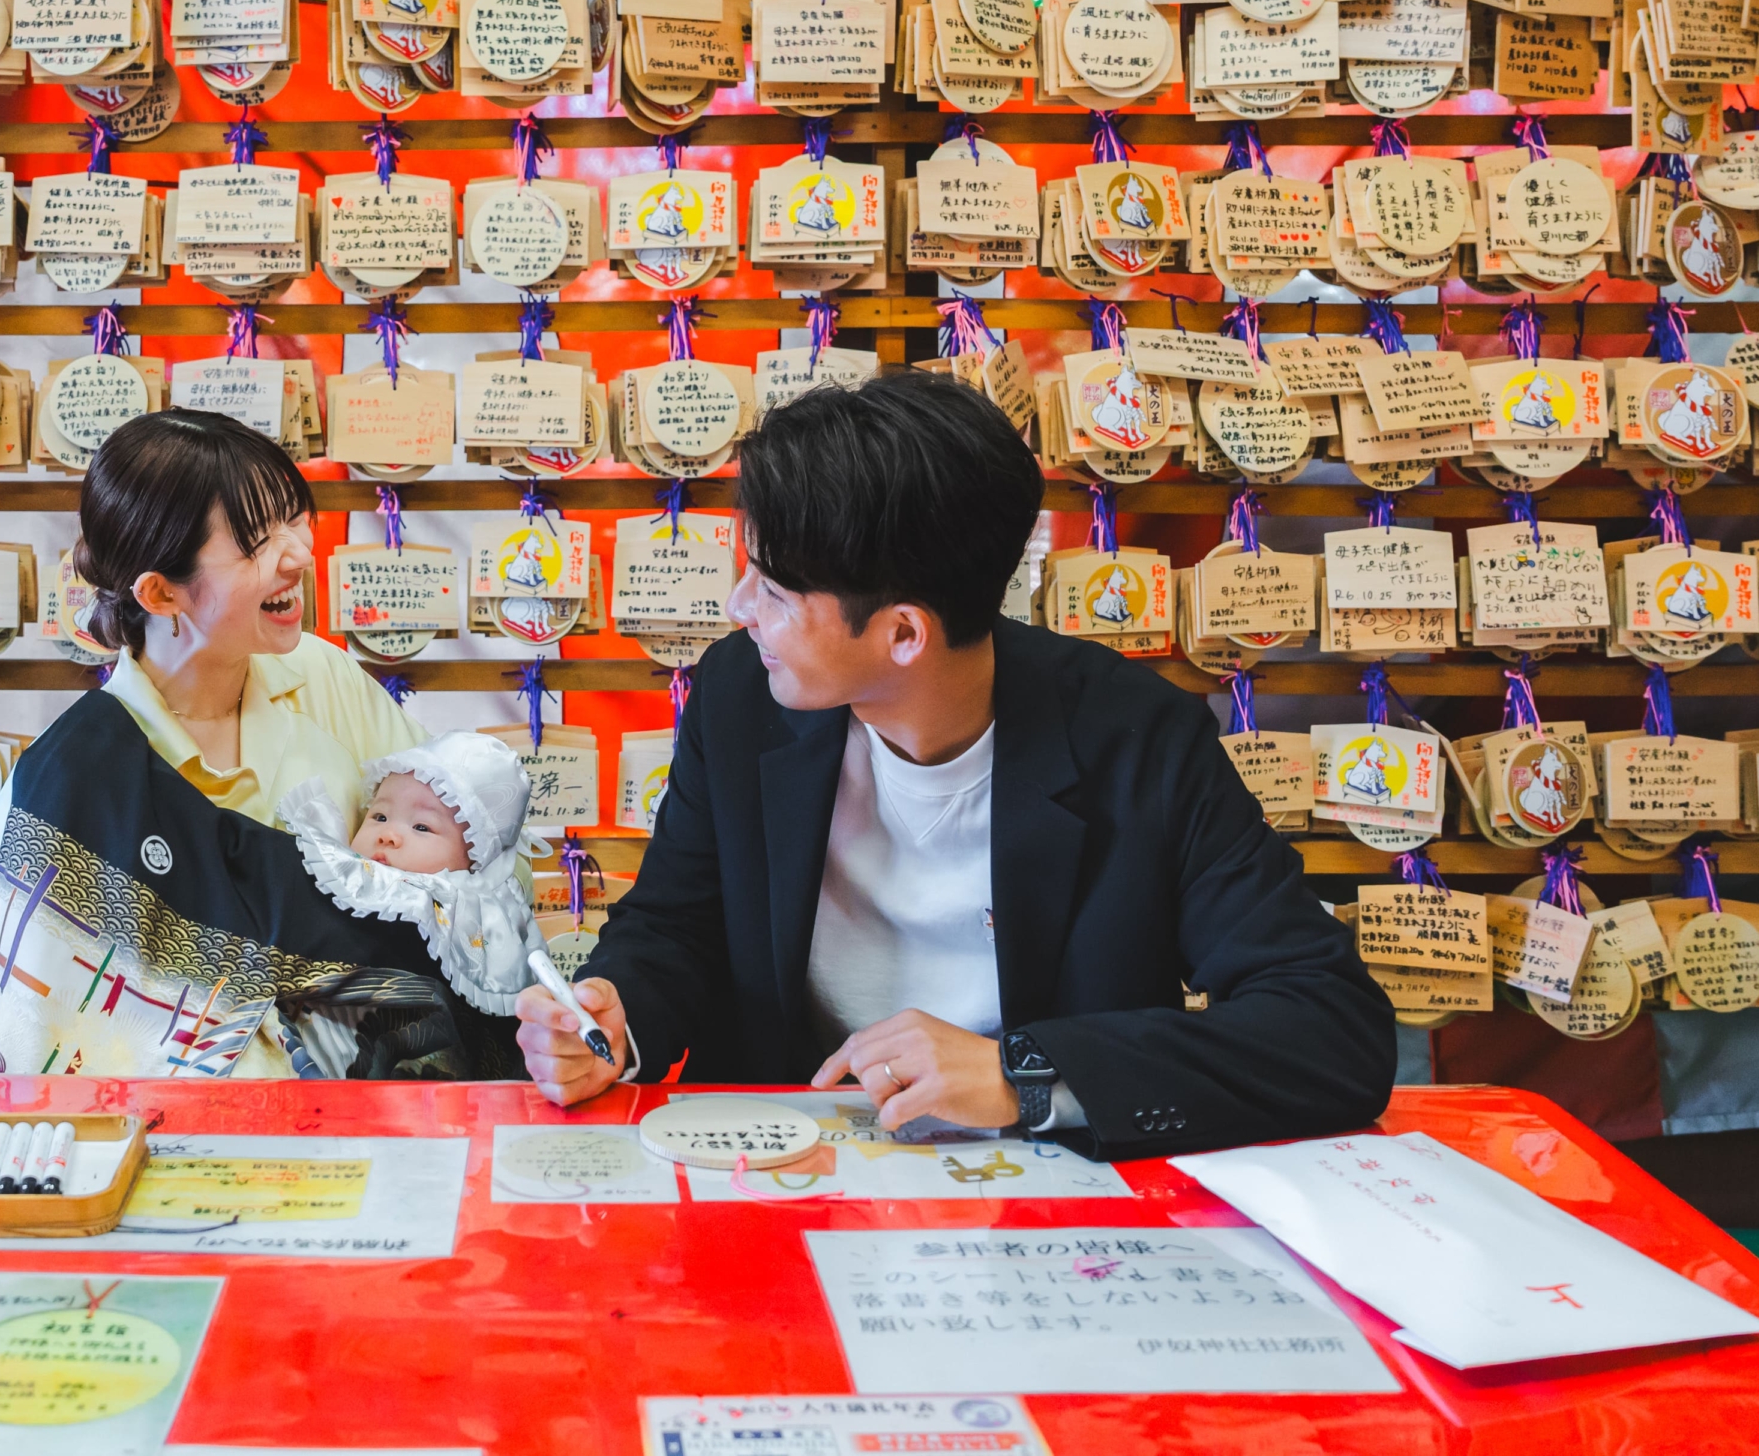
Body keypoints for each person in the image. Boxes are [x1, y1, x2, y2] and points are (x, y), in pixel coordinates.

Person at [514, 371, 1393, 1158]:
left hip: (1049, 1204)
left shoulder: (1138, 740)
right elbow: (679, 923)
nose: (740, 607)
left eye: (775, 591)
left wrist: (1027, 1076)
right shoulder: (743, 697)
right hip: (785, 1168)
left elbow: (1330, 1029)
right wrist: (615, 1016)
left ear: (903, 633)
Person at [0, 411, 515, 1081]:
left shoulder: (326, 678)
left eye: (292, 520)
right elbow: (5, 1020)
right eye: (256, 541)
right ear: (162, 593)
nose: (299, 556)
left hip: (375, 1127)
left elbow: (483, 857)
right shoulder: (71, 777)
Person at [280, 731, 544, 1015]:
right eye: (379, 816)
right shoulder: (341, 869)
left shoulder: (463, 905)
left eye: (421, 827)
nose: (387, 834)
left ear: (474, 860)